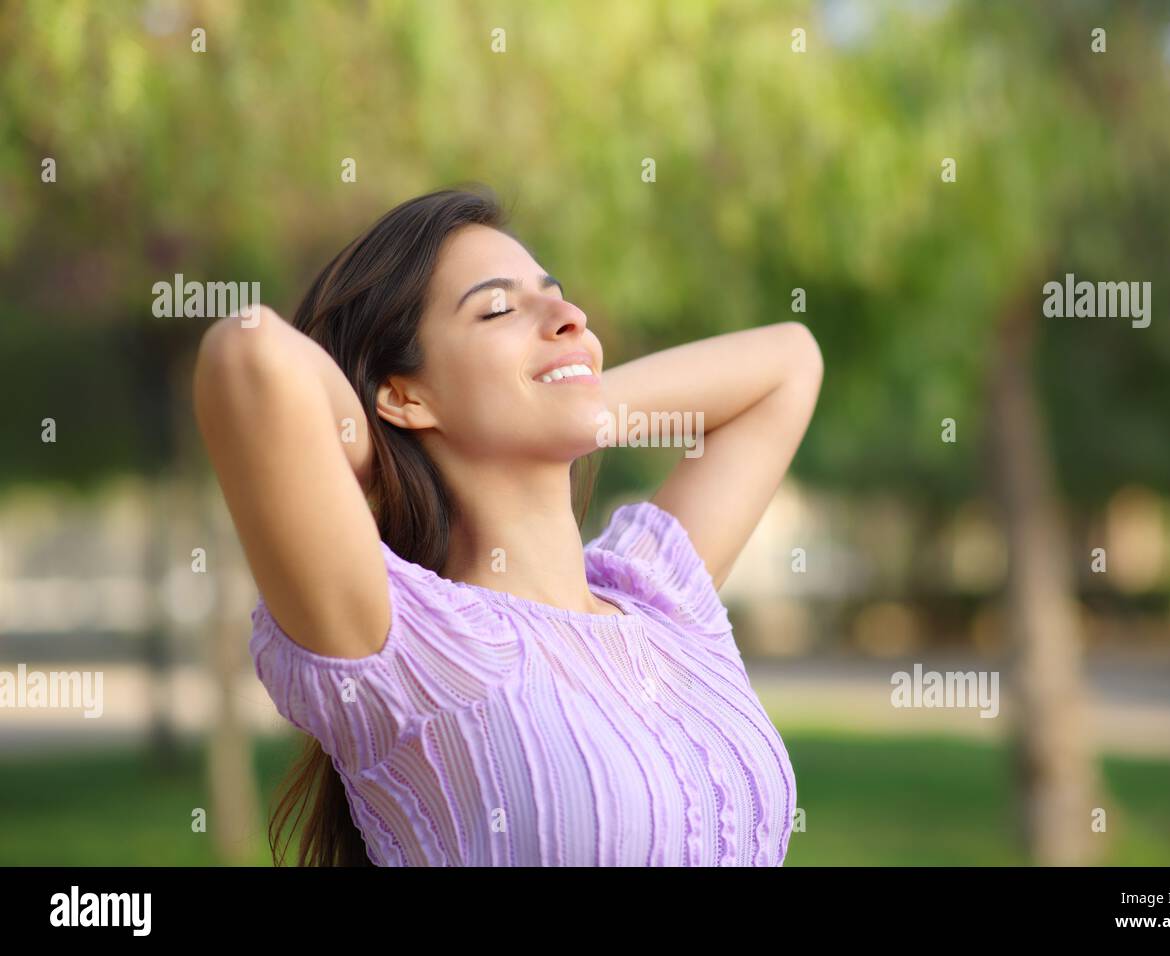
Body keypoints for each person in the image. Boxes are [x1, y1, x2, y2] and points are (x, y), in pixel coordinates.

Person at [192, 185, 823, 866]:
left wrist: (572, 397)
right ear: (404, 395)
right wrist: (377, 447)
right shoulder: (414, 647)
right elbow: (249, 352)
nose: (570, 315)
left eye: (556, 295)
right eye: (498, 308)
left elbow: (791, 360)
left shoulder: (660, 600)